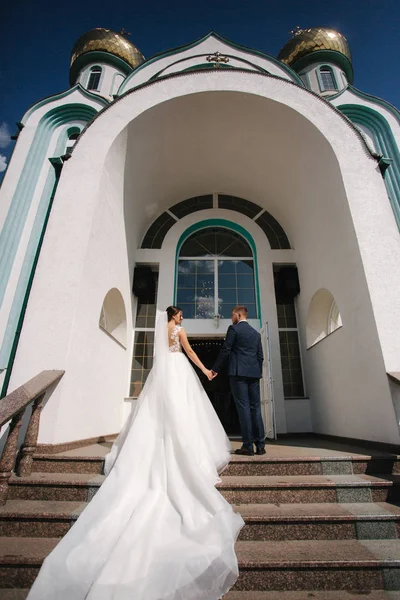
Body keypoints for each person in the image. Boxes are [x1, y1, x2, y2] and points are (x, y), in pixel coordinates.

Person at [27, 306, 244, 600]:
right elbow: (191, 353)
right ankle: (186, 452)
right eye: (180, 315)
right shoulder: (178, 331)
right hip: (179, 371)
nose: (182, 319)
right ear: (174, 316)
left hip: (164, 373)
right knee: (184, 412)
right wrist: (206, 370)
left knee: (158, 415)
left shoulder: (161, 332)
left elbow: (165, 353)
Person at [211, 305, 265, 456]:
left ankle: (248, 446)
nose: (231, 318)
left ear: (239, 315)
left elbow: (226, 349)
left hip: (238, 373)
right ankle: (260, 445)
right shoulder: (256, 334)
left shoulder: (234, 329)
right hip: (254, 374)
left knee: (244, 409)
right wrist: (257, 371)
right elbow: (260, 356)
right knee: (256, 408)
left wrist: (215, 369)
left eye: (232, 315)